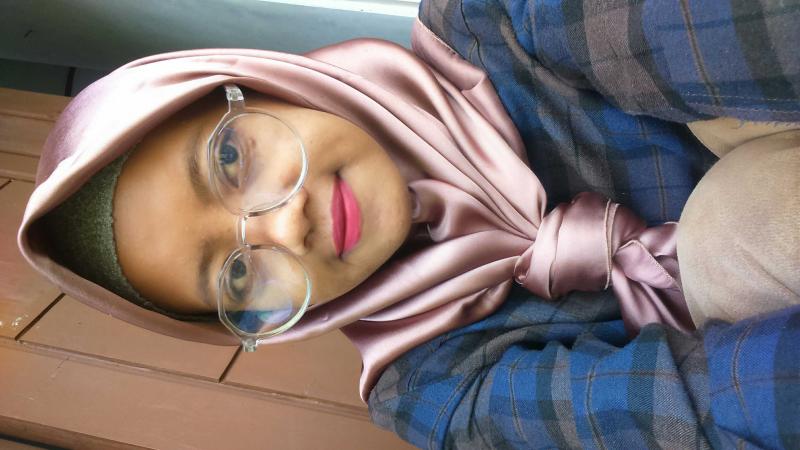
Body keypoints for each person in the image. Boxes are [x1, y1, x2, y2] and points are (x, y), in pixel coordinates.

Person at [16, 0, 798, 448]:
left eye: (230, 159)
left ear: (255, 84)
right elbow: (712, 417)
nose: (284, 228)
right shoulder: (433, 384)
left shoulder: (501, 22)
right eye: (238, 274)